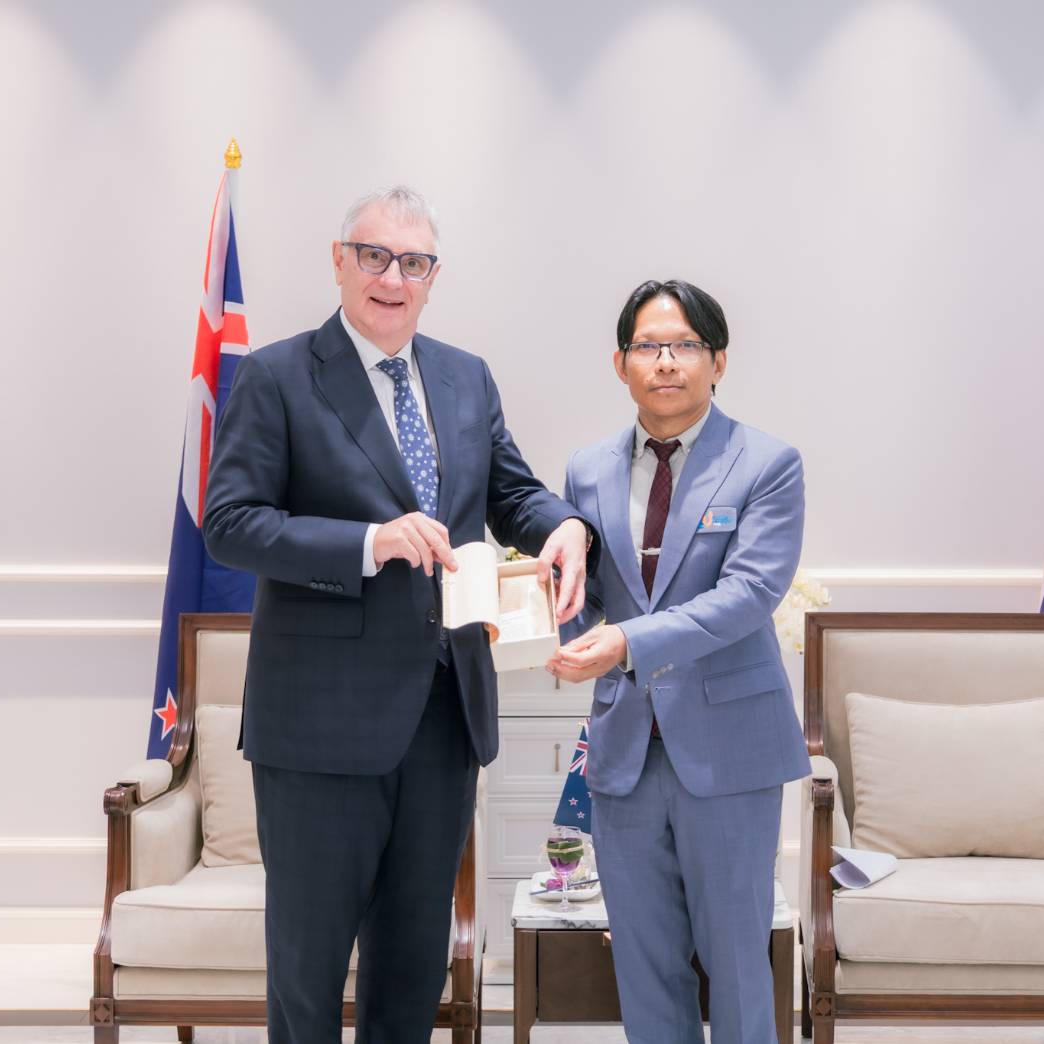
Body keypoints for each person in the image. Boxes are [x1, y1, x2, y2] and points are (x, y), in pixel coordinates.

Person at [203, 186, 597, 1042]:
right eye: (375, 256)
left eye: (413, 263)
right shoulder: (277, 375)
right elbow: (229, 524)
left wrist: (564, 524)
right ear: (339, 261)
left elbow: (510, 494)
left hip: (445, 717)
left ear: (433, 277)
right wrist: (368, 542)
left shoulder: (465, 376)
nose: (393, 278)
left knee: (414, 970)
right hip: (319, 728)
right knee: (308, 976)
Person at [547, 279, 810, 1044]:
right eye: (648, 346)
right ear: (621, 363)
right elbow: (587, 596)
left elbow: (748, 595)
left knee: (736, 964)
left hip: (729, 752)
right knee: (644, 964)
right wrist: (539, 614)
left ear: (718, 361)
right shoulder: (587, 469)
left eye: (685, 345)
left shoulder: (767, 463)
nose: (666, 361)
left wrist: (629, 642)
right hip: (625, 751)